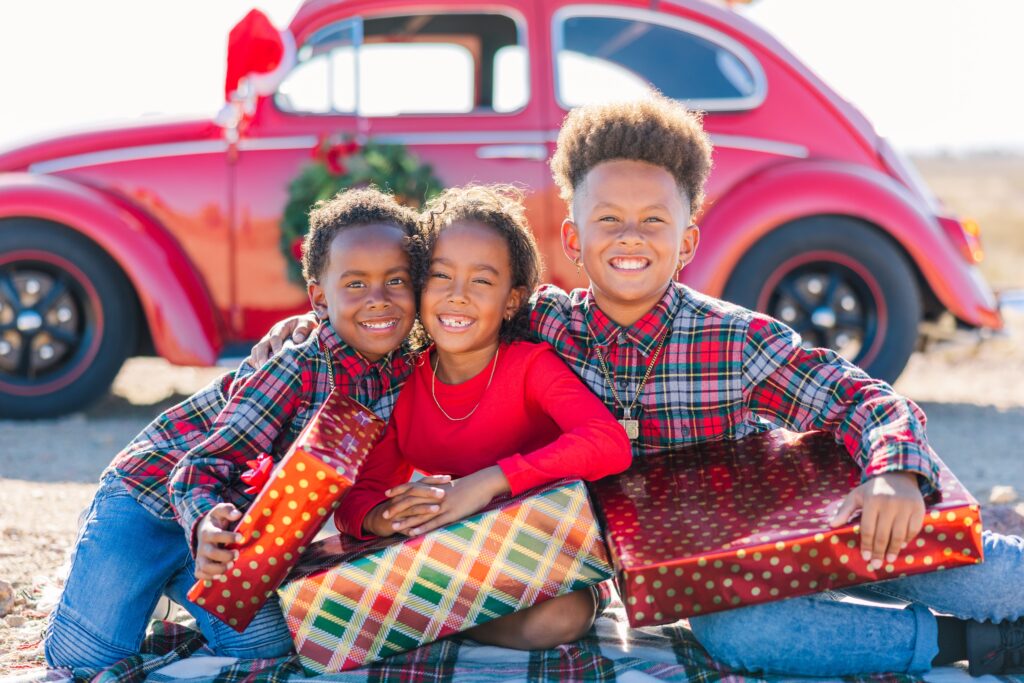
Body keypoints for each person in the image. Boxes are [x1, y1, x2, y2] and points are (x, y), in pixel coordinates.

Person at [255, 96, 1024, 677]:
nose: (630, 237)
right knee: (738, 635)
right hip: (714, 577)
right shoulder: (542, 326)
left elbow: (867, 399)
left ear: (687, 239)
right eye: (609, 220)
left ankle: (983, 600)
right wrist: (311, 330)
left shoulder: (735, 340)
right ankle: (975, 647)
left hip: (810, 518)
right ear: (573, 239)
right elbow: (444, 318)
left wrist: (892, 468)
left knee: (978, 571)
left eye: (654, 221)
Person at [44, 188, 426, 673]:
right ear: (318, 297)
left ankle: (179, 577)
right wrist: (201, 523)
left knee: (265, 651)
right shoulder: (296, 365)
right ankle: (103, 558)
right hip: (151, 499)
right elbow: (199, 467)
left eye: (396, 280)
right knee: (85, 662)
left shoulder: (403, 368)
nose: (378, 300)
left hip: (234, 535)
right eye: (355, 285)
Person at [334, 184, 632, 650]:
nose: (458, 297)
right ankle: (441, 620)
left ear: (511, 301)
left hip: (543, 554)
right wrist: (383, 516)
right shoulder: (404, 380)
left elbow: (608, 442)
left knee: (562, 619)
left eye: (482, 281)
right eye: (440, 276)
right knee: (349, 600)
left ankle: (433, 627)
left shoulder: (529, 365)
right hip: (459, 560)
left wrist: (490, 480)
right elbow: (358, 498)